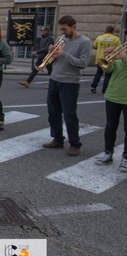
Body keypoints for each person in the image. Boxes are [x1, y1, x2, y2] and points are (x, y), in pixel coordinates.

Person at [42, 15, 92, 157]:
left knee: (69, 114)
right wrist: (51, 53)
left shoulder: (85, 42)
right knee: (53, 112)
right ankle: (57, 139)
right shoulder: (60, 39)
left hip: (70, 82)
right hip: (55, 79)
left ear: (73, 27)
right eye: (61, 29)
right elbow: (55, 61)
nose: (62, 32)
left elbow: (82, 63)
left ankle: (75, 144)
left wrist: (63, 54)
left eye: (65, 29)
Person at [95, 45, 127, 171]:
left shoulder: (123, 54)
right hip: (113, 94)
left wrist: (125, 58)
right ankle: (108, 153)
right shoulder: (121, 50)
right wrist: (108, 59)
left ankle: (126, 157)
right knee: (110, 126)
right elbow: (108, 70)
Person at [91, 26, 121, 94]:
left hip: (99, 58)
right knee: (107, 75)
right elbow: (118, 50)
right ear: (113, 31)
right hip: (109, 59)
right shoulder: (116, 39)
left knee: (98, 73)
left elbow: (94, 46)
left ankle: (94, 86)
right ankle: (104, 90)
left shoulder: (99, 37)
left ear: (106, 30)